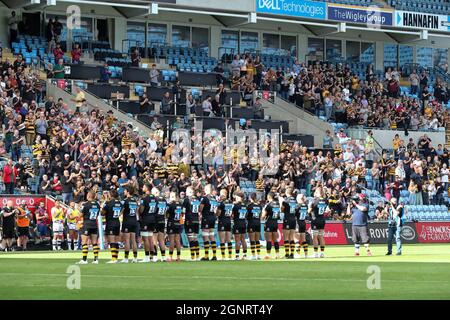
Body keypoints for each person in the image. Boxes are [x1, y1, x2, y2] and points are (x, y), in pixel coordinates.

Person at [76, 191, 101, 264]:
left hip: (87, 225)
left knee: (84, 242)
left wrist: (79, 209)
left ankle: (84, 259)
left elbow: (80, 215)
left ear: (89, 195)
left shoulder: (86, 204)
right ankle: (96, 259)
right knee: (94, 243)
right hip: (94, 225)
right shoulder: (97, 204)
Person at [138, 184, 157, 263]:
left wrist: (138, 210)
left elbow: (141, 210)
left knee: (145, 239)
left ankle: (146, 257)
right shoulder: (155, 198)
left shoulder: (144, 198)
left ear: (147, 188)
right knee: (151, 239)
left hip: (145, 220)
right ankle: (152, 257)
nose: (142, 188)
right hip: (153, 219)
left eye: (144, 186)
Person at [101, 189, 122, 263]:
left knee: (112, 241)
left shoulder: (109, 203)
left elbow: (102, 213)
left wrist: (104, 204)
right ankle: (116, 258)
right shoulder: (119, 203)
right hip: (117, 222)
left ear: (111, 195)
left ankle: (113, 259)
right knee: (116, 241)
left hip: (110, 223)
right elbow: (121, 212)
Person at [120, 186, 139, 263]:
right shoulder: (135, 201)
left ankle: (126, 258)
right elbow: (137, 210)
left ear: (128, 191)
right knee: (133, 240)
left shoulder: (125, 201)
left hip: (127, 221)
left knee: (127, 240)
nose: (124, 192)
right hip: (134, 221)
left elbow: (121, 212)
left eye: (125, 190)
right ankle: (135, 258)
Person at [199, 184, 218, 261]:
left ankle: (206, 256)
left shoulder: (205, 198)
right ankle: (214, 255)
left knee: (205, 236)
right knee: (212, 236)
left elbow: (200, 209)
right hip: (212, 217)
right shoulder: (214, 198)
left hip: (206, 218)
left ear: (207, 190)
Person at [261, 192, 281, 259]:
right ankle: (277, 254)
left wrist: (263, 212)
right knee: (275, 240)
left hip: (269, 222)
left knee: (268, 240)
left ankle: (268, 254)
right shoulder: (277, 204)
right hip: (275, 222)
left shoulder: (268, 205)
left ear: (269, 197)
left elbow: (263, 216)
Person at [184, 186, 201, 261]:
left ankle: (193, 256)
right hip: (196, 220)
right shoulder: (197, 199)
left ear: (190, 192)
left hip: (189, 220)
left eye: (187, 191)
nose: (185, 192)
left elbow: (183, 211)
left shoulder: (187, 199)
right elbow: (200, 209)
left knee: (191, 238)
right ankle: (197, 255)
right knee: (195, 238)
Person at [166, 191, 183, 262]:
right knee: (178, 240)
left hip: (172, 223)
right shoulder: (181, 204)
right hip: (178, 223)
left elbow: (166, 214)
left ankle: (170, 257)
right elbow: (182, 214)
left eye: (171, 196)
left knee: (172, 240)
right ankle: (178, 257)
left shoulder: (170, 205)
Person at [216, 188, 232, 261]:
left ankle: (223, 256)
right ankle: (230, 255)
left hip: (222, 221)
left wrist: (215, 212)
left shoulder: (221, 203)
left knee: (222, 240)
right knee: (228, 239)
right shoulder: (230, 202)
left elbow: (218, 213)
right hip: (228, 221)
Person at [281, 187, 297, 259]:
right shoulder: (294, 200)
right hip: (293, 219)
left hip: (287, 219)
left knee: (286, 238)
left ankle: (287, 254)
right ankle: (292, 254)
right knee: (292, 237)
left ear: (287, 192)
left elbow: (282, 210)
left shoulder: (285, 200)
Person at [309, 193, 327, 258]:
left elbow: (309, 210)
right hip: (322, 219)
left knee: (315, 237)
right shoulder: (325, 200)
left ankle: (315, 253)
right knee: (321, 237)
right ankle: (322, 253)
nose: (314, 194)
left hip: (315, 220)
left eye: (315, 192)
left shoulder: (315, 200)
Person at [232, 191, 247, 260]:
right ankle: (245, 255)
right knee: (243, 240)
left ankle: (237, 256)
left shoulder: (235, 206)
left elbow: (231, 215)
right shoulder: (245, 205)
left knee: (237, 241)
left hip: (237, 223)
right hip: (243, 223)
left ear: (238, 197)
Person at [247, 193, 262, 260]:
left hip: (251, 223)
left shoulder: (249, 206)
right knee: (257, 240)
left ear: (251, 198)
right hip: (258, 223)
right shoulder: (259, 206)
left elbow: (246, 215)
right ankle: (258, 255)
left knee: (252, 240)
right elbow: (261, 215)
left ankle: (253, 255)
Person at [154, 188, 167, 261]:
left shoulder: (155, 200)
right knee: (161, 240)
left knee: (154, 239)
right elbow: (165, 211)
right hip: (162, 220)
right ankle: (163, 257)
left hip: (156, 220)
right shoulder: (164, 200)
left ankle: (155, 256)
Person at [295, 193, 309, 258]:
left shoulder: (297, 206)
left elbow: (294, 214)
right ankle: (306, 254)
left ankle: (298, 254)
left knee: (297, 239)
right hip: (303, 222)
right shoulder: (306, 205)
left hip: (298, 222)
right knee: (303, 239)